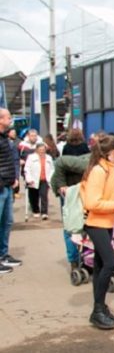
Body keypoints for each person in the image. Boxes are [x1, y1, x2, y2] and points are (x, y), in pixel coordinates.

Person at [80, 134, 114, 330]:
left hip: (106, 223)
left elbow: (107, 196)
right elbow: (92, 203)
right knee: (109, 263)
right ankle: (97, 311)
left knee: (101, 266)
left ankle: (100, 308)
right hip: (96, 223)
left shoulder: (111, 170)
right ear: (112, 154)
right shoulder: (99, 171)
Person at [51, 151, 91, 271]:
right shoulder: (86, 164)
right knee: (72, 227)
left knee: (87, 225)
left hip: (82, 190)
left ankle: (87, 259)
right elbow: (60, 161)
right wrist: (62, 184)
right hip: (67, 189)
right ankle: (74, 261)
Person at [0, 108, 20, 274]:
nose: (10, 119)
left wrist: (13, 179)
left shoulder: (5, 137)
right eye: (8, 116)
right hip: (1, 186)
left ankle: (3, 254)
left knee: (6, 222)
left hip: (7, 186)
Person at [24, 143, 54, 219]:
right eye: (40, 150)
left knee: (44, 196)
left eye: (43, 150)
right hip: (33, 180)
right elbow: (27, 168)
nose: (42, 151)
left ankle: (44, 213)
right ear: (36, 150)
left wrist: (50, 178)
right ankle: (36, 210)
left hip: (44, 179)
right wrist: (28, 178)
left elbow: (52, 169)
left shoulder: (49, 158)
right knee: (33, 196)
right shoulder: (31, 157)